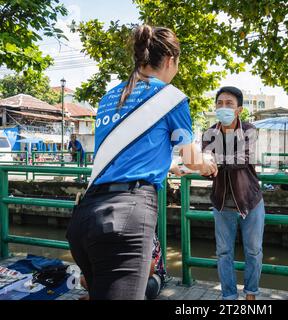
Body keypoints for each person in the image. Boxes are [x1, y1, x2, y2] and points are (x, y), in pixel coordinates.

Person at [66, 25, 217, 300]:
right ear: (171, 59)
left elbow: (128, 155)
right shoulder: (171, 97)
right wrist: (206, 163)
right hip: (125, 218)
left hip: (85, 214)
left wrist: (167, 165)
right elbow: (191, 158)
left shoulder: (110, 97)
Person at [202, 86, 265, 300]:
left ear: (239, 109)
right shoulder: (209, 133)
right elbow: (206, 169)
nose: (223, 107)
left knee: (254, 251)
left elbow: (242, 159)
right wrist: (200, 165)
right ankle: (229, 297)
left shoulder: (250, 130)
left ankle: (251, 293)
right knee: (223, 252)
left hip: (249, 200)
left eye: (229, 103)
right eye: (219, 103)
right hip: (221, 202)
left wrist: (209, 161)